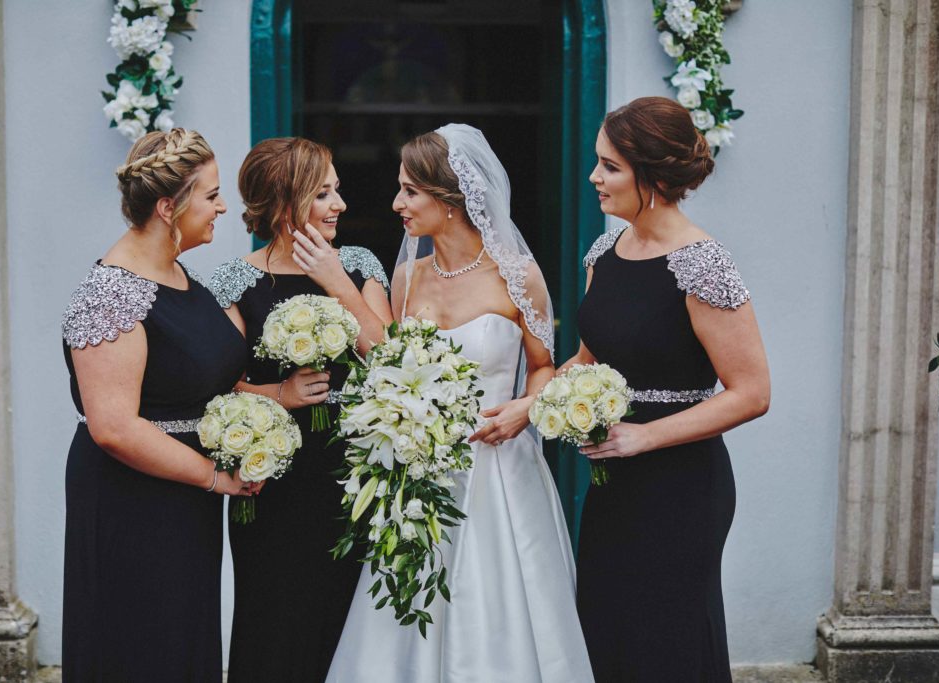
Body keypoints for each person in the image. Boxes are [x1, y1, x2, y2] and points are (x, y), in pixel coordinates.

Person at [326, 124, 595, 683]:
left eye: (409, 191)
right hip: (419, 476)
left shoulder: (519, 276)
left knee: (498, 611)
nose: (397, 203)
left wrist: (526, 410)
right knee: (409, 605)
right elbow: (390, 367)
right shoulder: (406, 277)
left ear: (449, 201)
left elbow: (545, 365)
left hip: (499, 470)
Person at [566, 96, 770, 681]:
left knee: (667, 642)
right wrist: (525, 406)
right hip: (612, 486)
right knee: (608, 630)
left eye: (609, 166)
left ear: (651, 175)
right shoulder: (603, 255)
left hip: (681, 488)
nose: (594, 177)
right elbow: (585, 362)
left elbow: (752, 392)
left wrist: (644, 439)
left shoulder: (704, 264)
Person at [61, 128, 251, 681]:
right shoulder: (112, 293)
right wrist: (215, 477)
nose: (222, 206)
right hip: (133, 499)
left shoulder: (177, 273)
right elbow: (115, 427)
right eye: (212, 195)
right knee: (140, 643)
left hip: (185, 495)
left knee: (181, 639)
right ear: (169, 207)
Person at [209, 137, 392, 682]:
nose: (340, 205)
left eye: (336, 192)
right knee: (273, 615)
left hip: (355, 472)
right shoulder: (234, 282)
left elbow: (392, 361)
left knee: (345, 617)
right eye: (324, 194)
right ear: (285, 202)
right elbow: (216, 390)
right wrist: (280, 396)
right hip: (273, 478)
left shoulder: (358, 266)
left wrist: (337, 282)